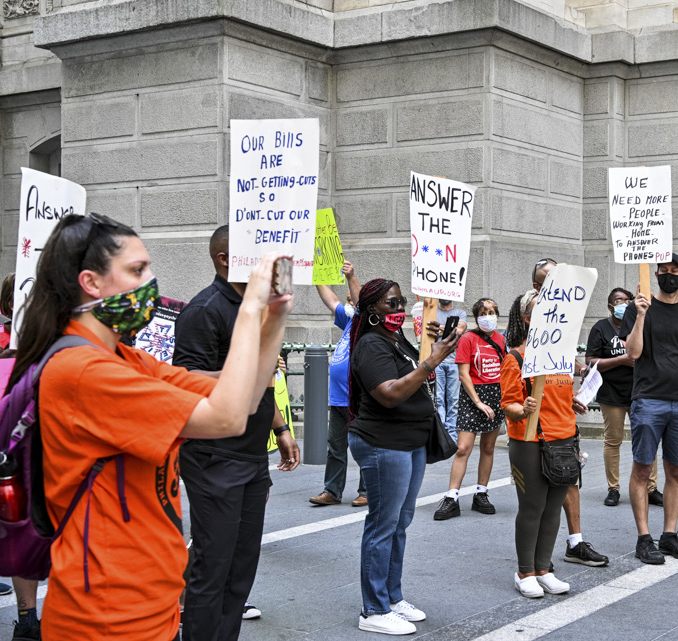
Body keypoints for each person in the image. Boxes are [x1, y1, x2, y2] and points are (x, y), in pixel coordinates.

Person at [5, 213, 291, 641]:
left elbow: (247, 397)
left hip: (151, 601)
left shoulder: (126, 358)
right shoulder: (81, 370)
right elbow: (226, 419)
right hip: (106, 615)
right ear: (91, 282)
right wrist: (249, 306)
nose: (151, 281)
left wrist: (274, 314)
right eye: (138, 270)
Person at [173, 224, 300, 641]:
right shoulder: (204, 309)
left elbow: (263, 383)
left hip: (250, 456)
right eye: (253, 254)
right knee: (213, 565)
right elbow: (187, 378)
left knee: (242, 566)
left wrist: (280, 426)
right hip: (214, 457)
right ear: (225, 258)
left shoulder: (256, 304)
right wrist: (243, 370)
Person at [348, 278, 458, 635]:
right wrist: (431, 362)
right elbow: (390, 393)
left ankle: (392, 598)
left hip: (410, 442)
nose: (397, 309)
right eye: (390, 304)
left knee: (400, 523)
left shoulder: (396, 340)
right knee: (383, 525)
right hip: (384, 442)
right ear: (372, 311)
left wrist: (433, 344)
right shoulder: (370, 345)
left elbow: (414, 373)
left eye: (400, 303)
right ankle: (373, 610)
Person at [501, 289, 587, 597]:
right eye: (541, 310)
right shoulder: (516, 357)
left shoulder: (562, 359)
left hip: (564, 439)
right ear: (526, 318)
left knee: (552, 509)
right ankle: (525, 572)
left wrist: (573, 401)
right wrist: (520, 408)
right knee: (533, 507)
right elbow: (507, 403)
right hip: (529, 440)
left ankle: (543, 569)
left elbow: (558, 393)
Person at [530, 258, 608, 567]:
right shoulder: (530, 321)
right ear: (537, 287)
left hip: (564, 423)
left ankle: (575, 542)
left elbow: (564, 371)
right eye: (550, 279)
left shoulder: (564, 327)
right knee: (538, 492)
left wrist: (576, 393)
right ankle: (534, 557)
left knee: (570, 482)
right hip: (536, 427)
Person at [620, 253, 678, 564]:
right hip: (649, 400)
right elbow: (633, 353)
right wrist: (641, 315)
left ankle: (669, 535)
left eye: (675, 271)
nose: (670, 276)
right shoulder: (638, 307)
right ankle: (645, 537)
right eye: (665, 271)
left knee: (675, 471)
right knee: (643, 469)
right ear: (655, 274)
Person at [586, 287, 663, 507]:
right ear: (610, 306)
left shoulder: (640, 323)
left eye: (627, 300)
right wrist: (621, 360)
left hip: (642, 392)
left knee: (648, 441)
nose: (623, 304)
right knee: (613, 441)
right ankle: (614, 488)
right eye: (618, 301)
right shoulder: (600, 328)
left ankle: (651, 488)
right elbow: (591, 361)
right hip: (611, 394)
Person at [434, 298, 505, 520]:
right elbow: (464, 374)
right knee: (463, 448)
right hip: (473, 396)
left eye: (492, 311)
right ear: (476, 316)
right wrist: (477, 402)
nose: (489, 315)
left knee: (489, 447)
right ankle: (452, 497)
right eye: (484, 312)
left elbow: (504, 369)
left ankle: (481, 493)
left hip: (495, 394)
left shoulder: (501, 340)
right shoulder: (468, 339)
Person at [309, 260, 366, 507]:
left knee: (364, 446)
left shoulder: (366, 324)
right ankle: (332, 490)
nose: (349, 304)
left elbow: (363, 302)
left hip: (360, 398)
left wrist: (351, 276)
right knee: (336, 447)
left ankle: (367, 490)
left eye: (353, 300)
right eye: (349, 301)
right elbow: (331, 300)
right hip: (339, 398)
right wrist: (316, 276)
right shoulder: (348, 322)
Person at [431, 299, 467, 442]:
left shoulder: (460, 313)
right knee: (438, 399)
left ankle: (452, 435)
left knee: (454, 399)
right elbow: (427, 332)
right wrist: (449, 329)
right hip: (436, 361)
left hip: (454, 361)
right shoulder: (432, 313)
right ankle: (441, 433)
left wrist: (439, 328)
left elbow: (459, 330)